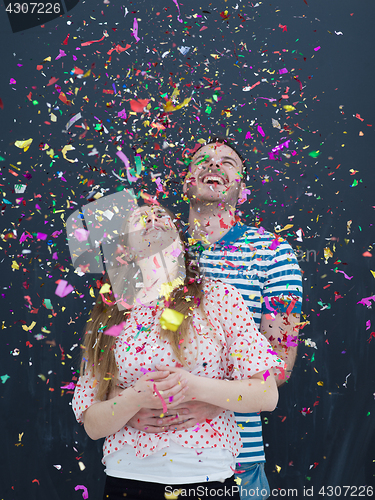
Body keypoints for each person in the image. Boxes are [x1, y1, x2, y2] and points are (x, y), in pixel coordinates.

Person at [124, 138, 303, 500]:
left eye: (228, 162)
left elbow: (279, 365)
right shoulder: (150, 249)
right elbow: (116, 348)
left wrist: (211, 400)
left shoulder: (273, 254)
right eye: (202, 160)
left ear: (242, 187)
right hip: (145, 461)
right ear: (187, 181)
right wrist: (125, 409)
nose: (214, 164)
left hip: (237, 463)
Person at [72, 203, 281, 500]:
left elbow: (266, 395)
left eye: (161, 217)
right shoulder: (109, 316)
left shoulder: (220, 298)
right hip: (127, 481)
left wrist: (194, 387)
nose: (153, 219)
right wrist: (133, 400)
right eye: (140, 219)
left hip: (208, 479)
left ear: (180, 242)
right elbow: (93, 425)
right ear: (126, 250)